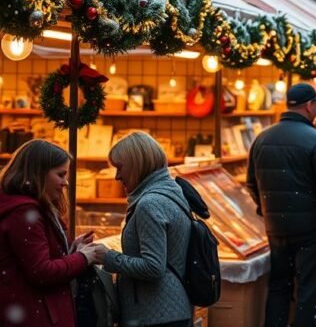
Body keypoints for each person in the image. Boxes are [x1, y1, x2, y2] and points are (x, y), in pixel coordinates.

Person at [247, 83, 316, 327]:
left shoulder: (262, 138)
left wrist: (266, 211)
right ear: (309, 106)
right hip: (313, 229)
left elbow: (251, 182)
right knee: (308, 293)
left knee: (279, 287)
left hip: (276, 228)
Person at [0, 140, 106, 327]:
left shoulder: (28, 208)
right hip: (34, 315)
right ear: (38, 174)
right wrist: (82, 257)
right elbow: (42, 271)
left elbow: (38, 258)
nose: (65, 182)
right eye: (60, 175)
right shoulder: (24, 213)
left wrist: (71, 249)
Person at [99, 132, 193, 327]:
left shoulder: (149, 204)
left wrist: (107, 257)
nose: (117, 176)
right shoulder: (171, 191)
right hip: (173, 309)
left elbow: (153, 267)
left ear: (136, 164)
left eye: (119, 168)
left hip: (154, 315)